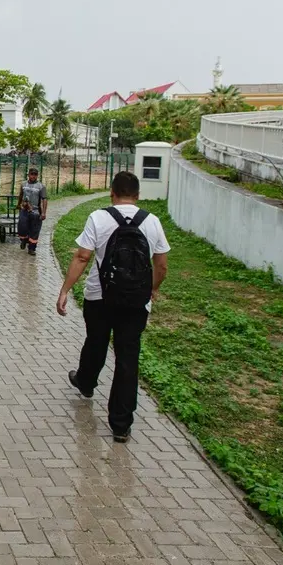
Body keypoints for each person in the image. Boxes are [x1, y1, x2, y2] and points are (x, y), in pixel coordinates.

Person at [56, 171, 169, 443]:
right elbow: (162, 265)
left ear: (112, 193)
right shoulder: (152, 222)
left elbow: (83, 256)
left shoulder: (98, 217)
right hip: (136, 303)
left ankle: (86, 382)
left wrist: (64, 290)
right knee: (128, 357)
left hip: (99, 297)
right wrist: (151, 289)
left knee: (96, 340)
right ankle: (121, 425)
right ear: (138, 195)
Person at [17, 167, 47, 255]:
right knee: (22, 228)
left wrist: (44, 213)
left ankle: (32, 249)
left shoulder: (41, 186)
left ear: (37, 176)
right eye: (32, 174)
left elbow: (44, 200)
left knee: (34, 231)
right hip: (24, 210)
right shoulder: (23, 184)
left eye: (35, 174)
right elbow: (21, 195)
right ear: (28, 175)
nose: (33, 176)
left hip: (35, 211)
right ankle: (24, 240)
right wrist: (18, 204)